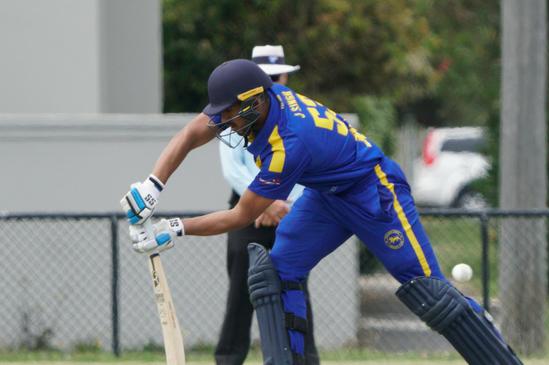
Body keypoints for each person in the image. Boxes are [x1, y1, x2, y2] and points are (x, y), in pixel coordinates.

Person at [120, 59, 523, 365]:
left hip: (373, 192)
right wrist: (152, 186)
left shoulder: (288, 145)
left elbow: (241, 216)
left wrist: (175, 229)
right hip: (327, 196)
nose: (224, 121)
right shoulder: (257, 101)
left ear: (255, 102)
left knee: (429, 291)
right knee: (277, 274)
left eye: (230, 113)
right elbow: (192, 132)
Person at [214, 45, 319, 365]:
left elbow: (308, 164)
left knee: (295, 290)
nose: (275, 81)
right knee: (241, 295)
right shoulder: (235, 114)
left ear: (285, 76)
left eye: (278, 75)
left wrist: (286, 203)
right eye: (267, 76)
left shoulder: (298, 116)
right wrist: (263, 203)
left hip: (290, 210)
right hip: (248, 212)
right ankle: (228, 359)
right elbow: (233, 169)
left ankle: (303, 359)